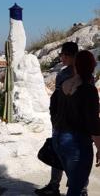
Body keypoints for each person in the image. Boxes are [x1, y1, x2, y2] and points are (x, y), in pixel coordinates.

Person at [51, 50, 100, 196]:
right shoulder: (89, 90)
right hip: (77, 142)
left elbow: (54, 109)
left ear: (76, 66)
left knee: (74, 183)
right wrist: (99, 146)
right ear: (92, 66)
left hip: (59, 138)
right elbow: (93, 123)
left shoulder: (64, 85)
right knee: (77, 189)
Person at [35, 42, 80, 196]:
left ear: (68, 55)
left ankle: (79, 189)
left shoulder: (75, 74)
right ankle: (55, 186)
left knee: (72, 157)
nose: (61, 57)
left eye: (62, 54)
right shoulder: (73, 73)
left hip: (69, 124)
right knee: (59, 154)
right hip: (62, 122)